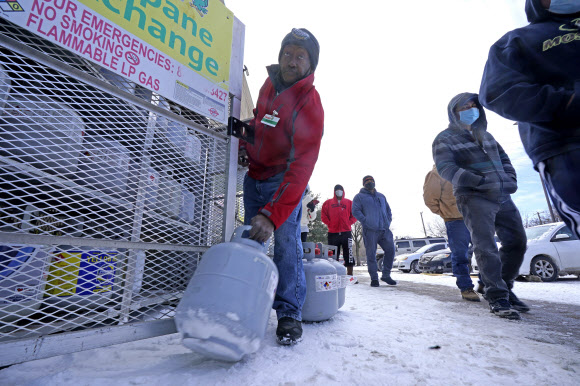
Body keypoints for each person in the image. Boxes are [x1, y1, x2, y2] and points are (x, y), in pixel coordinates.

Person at [238, 28, 324, 345]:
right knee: (252, 245)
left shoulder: (310, 102)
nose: (292, 60)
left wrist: (273, 213)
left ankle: (289, 314)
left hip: (283, 181)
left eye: (300, 56)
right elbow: (261, 123)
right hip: (255, 178)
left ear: (310, 64)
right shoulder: (268, 85)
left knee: (286, 244)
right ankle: (246, 306)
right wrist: (245, 143)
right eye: (287, 53)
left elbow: (301, 166)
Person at [479, 0, 580, 238]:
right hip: (567, 146)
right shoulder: (516, 41)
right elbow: (499, 92)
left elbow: (504, 163)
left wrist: (509, 181)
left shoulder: (489, 143)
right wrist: (568, 102)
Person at [432, 92, 528, 320]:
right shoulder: (444, 138)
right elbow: (446, 169)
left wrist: (509, 180)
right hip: (474, 197)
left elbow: (505, 160)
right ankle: (497, 296)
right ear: (454, 112)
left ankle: (499, 285)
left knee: (517, 242)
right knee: (485, 247)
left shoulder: (487, 136)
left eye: (474, 105)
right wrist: (480, 182)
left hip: (503, 195)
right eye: (464, 106)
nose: (470, 109)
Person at [423, 165, 480, 302]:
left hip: (476, 217)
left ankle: (487, 284)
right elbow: (430, 199)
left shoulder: (468, 167)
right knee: (461, 255)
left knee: (486, 251)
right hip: (455, 220)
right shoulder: (436, 173)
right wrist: (446, 212)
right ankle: (466, 287)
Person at [352, 176, 397, 287]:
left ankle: (386, 275)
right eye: (367, 181)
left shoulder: (381, 196)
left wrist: (388, 222)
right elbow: (355, 211)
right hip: (370, 230)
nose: (370, 182)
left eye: (371, 180)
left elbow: (388, 210)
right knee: (371, 254)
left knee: (391, 250)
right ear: (363, 184)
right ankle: (374, 279)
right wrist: (365, 221)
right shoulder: (359, 197)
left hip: (384, 230)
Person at [321, 184, 357, 276]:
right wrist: (330, 224)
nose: (339, 191)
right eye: (337, 190)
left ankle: (350, 275)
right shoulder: (328, 203)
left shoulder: (349, 203)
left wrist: (348, 223)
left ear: (343, 191)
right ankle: (334, 274)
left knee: (348, 253)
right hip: (333, 233)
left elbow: (355, 215)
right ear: (334, 191)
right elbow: (323, 216)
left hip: (346, 232)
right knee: (332, 254)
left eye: (340, 190)